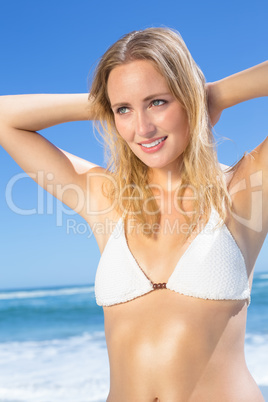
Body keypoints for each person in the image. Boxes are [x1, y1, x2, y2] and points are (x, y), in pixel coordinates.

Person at [0, 27, 267, 401]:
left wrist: (213, 95)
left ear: (187, 97)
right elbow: (4, 117)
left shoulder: (244, 189)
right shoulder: (107, 198)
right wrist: (106, 101)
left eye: (158, 102)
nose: (141, 128)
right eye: (123, 110)